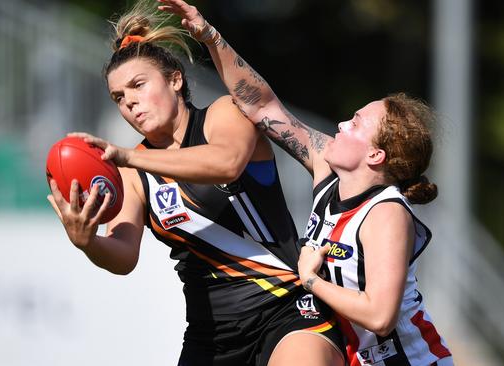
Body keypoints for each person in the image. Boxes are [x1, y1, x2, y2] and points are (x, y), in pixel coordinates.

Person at [47, 1, 346, 365]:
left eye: (138, 85)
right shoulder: (133, 175)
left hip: (288, 311)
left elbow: (227, 163)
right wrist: (87, 241)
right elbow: (123, 256)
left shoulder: (221, 115)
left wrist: (128, 156)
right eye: (119, 98)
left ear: (175, 79)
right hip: (211, 334)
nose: (130, 103)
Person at [158, 0, 454, 365]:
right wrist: (209, 35)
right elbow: (263, 107)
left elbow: (380, 316)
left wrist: (310, 280)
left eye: (357, 124)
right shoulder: (329, 172)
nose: (343, 125)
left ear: (376, 156)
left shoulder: (386, 213)